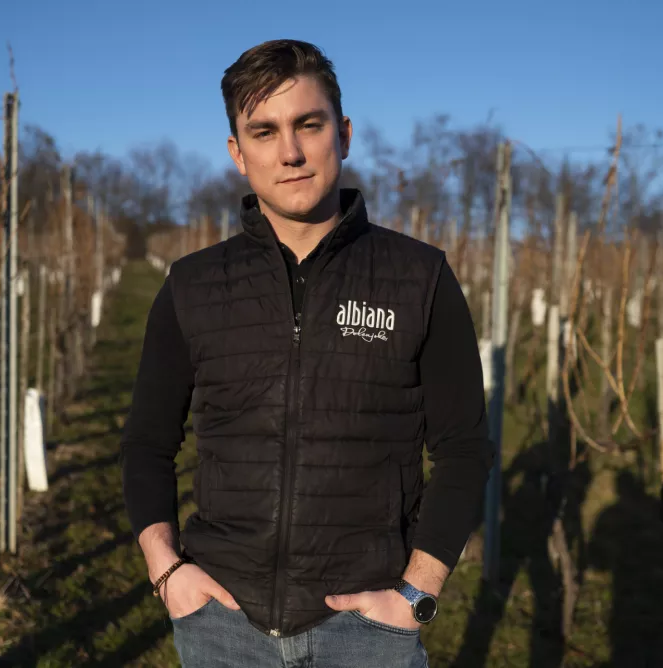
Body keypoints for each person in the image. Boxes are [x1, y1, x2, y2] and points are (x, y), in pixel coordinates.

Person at [119, 38, 493, 668]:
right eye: (263, 132)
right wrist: (167, 571)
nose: (289, 152)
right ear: (238, 153)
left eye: (308, 125)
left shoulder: (419, 278)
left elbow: (464, 449)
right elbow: (147, 442)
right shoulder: (193, 286)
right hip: (221, 627)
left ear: (343, 135)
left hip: (368, 631)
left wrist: (417, 594)